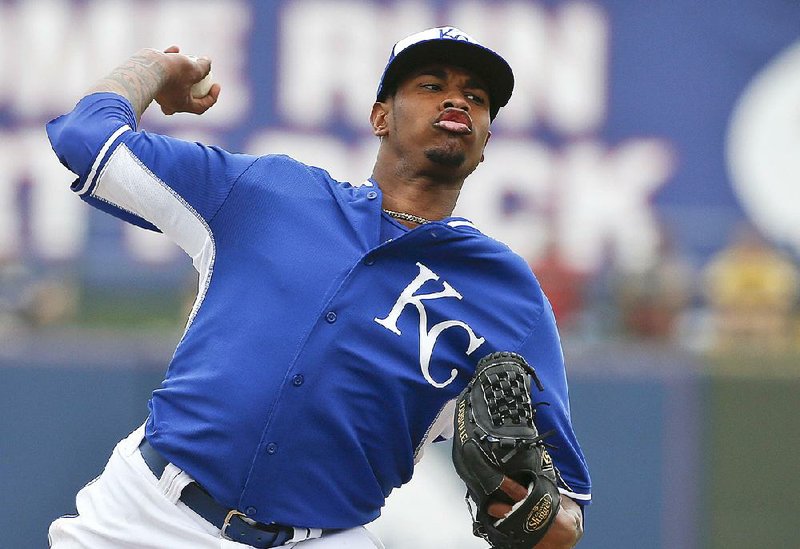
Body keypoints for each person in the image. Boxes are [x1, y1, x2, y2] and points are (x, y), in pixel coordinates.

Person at [46, 26, 590, 548]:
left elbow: (567, 510)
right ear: (380, 116)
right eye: (431, 86)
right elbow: (86, 138)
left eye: (476, 97)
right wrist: (156, 67)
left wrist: (535, 516)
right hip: (148, 515)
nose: (457, 102)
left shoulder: (508, 295)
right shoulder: (267, 193)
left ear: (486, 140)